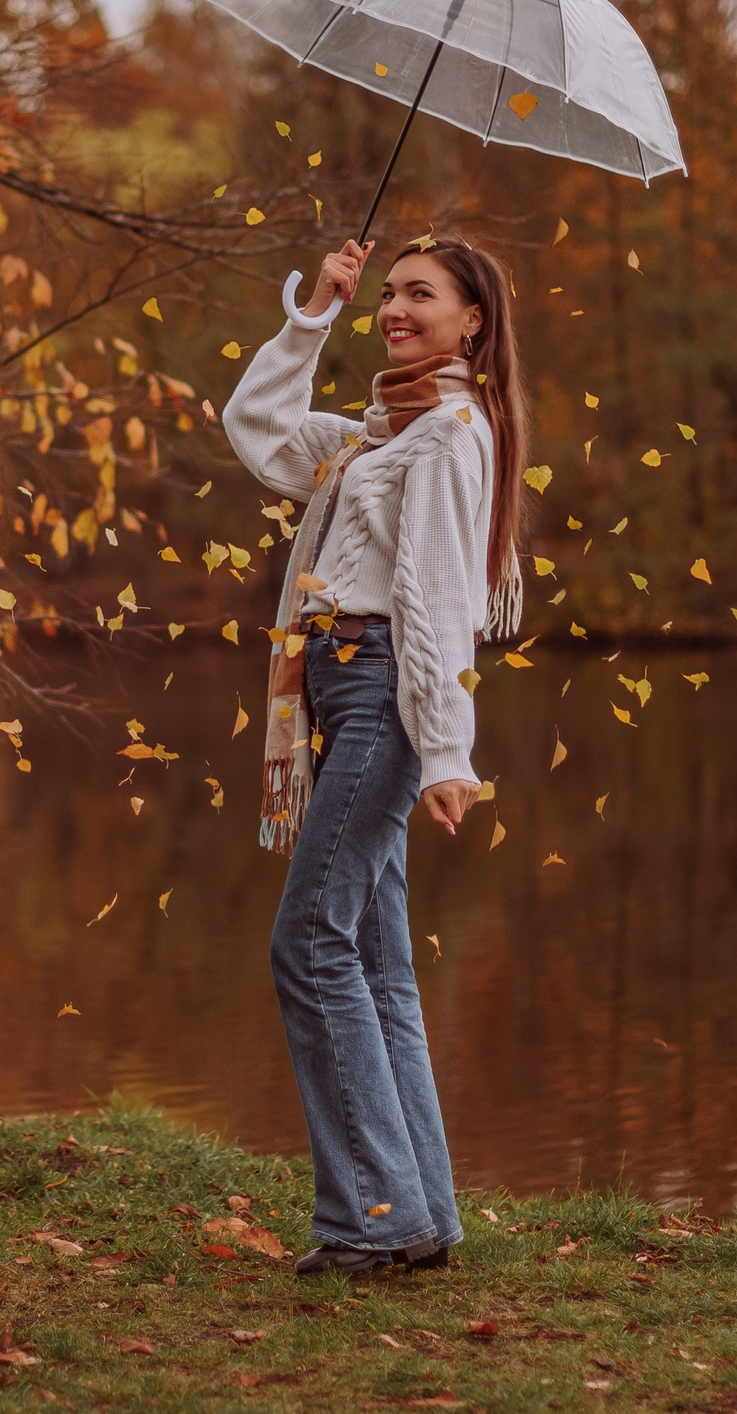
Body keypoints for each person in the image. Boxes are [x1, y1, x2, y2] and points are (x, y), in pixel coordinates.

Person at [221, 234, 529, 1276]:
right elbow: (258, 432)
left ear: (472, 319)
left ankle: (372, 1219)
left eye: (421, 294)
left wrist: (446, 750)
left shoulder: (447, 435)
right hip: (344, 681)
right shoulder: (376, 432)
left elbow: (442, 599)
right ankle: (420, 1214)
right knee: (376, 967)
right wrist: (315, 314)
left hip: (387, 693)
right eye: (389, 293)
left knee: (309, 947)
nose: (396, 308)